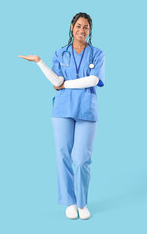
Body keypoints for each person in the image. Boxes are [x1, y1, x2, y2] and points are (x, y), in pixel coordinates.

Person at [18, 12, 105, 220]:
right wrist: (40, 62)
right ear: (71, 27)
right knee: (63, 155)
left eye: (86, 27)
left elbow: (93, 80)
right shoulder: (60, 53)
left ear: (89, 30)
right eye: (78, 26)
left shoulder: (97, 53)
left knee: (81, 158)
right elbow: (56, 82)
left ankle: (82, 202)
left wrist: (65, 84)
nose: (81, 30)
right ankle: (70, 202)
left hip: (86, 111)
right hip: (63, 111)